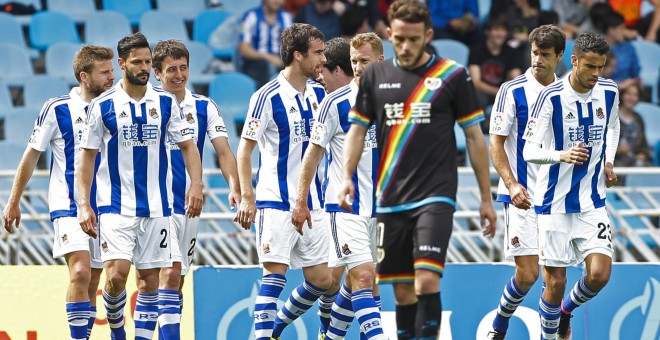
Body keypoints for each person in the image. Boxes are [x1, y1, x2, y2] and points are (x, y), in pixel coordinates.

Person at [338, 1, 497, 338]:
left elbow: (474, 136)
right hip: (391, 198)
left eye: (413, 39)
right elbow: (356, 131)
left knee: (426, 279)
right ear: (389, 35)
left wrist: (486, 197)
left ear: (427, 35)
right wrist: (345, 178)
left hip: (435, 196)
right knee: (403, 291)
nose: (406, 47)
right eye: (399, 40)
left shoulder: (452, 75)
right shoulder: (376, 77)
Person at [77, 32, 204, 340]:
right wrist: (84, 203)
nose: (144, 67)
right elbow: (87, 158)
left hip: (158, 206)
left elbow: (188, 146)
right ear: (121, 64)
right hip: (115, 206)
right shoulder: (103, 105)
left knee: (149, 282)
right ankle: (116, 317)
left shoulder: (165, 102)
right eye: (137, 62)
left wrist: (196, 184)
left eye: (148, 61)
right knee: (118, 275)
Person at [2, 45, 114, 340]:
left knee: (93, 282)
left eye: (112, 70)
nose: (112, 77)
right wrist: (13, 201)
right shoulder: (57, 108)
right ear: (84, 76)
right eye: (105, 72)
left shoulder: (116, 107)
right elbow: (30, 155)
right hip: (68, 205)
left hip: (107, 205)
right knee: (79, 271)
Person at [234, 23, 331, 340]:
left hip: (314, 203)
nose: (322, 59)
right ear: (297, 54)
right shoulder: (266, 96)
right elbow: (245, 149)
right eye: (317, 53)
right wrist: (248, 197)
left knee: (322, 280)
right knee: (273, 277)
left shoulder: (320, 93)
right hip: (276, 201)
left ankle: (275, 328)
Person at [522, 31, 619, 340]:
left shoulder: (609, 92)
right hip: (553, 205)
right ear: (574, 61)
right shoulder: (549, 98)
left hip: (592, 201)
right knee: (555, 283)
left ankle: (566, 311)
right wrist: (561, 155)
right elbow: (528, 151)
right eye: (590, 66)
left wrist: (609, 160)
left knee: (600, 275)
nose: (596, 74)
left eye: (601, 67)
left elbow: (613, 126)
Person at [291, 33, 385, 339]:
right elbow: (313, 154)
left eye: (364, 61)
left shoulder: (396, 101)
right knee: (361, 275)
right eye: (354, 61)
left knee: (363, 281)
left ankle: (330, 336)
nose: (357, 67)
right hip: (343, 206)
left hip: (381, 207)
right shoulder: (334, 103)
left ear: (380, 62)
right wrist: (301, 200)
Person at [152, 39, 242, 335]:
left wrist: (235, 188)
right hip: (154, 203)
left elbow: (224, 152)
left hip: (189, 204)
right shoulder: (148, 106)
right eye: (171, 70)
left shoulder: (204, 107)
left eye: (183, 68)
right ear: (157, 73)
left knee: (176, 278)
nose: (178, 75)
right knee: (170, 272)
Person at [486, 24, 566, 340]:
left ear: (560, 56)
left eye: (545, 55)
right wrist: (511, 184)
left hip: (557, 198)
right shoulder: (512, 90)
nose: (537, 60)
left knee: (556, 280)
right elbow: (496, 141)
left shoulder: (568, 94)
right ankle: (501, 322)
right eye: (534, 53)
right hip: (521, 194)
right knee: (529, 275)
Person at [468, 16, 523, 121]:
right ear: (487, 32)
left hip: (502, 91)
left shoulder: (511, 51)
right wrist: (499, 92)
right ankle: (480, 127)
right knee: (477, 96)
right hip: (483, 92)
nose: (500, 34)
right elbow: (476, 83)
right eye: (496, 30)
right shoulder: (477, 50)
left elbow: (517, 78)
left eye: (503, 30)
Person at [238, 0, 293, 88]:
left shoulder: (286, 17)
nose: (278, 1)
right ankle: (265, 99)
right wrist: (268, 57)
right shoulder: (250, 16)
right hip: (254, 63)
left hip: (280, 61)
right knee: (268, 67)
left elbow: (292, 45)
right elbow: (243, 50)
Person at [616, 82, 652, 168]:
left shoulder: (638, 118)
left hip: (634, 161)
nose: (631, 98)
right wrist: (618, 150)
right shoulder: (611, 116)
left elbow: (643, 145)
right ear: (622, 95)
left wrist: (643, 154)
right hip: (615, 162)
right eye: (628, 94)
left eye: (635, 95)